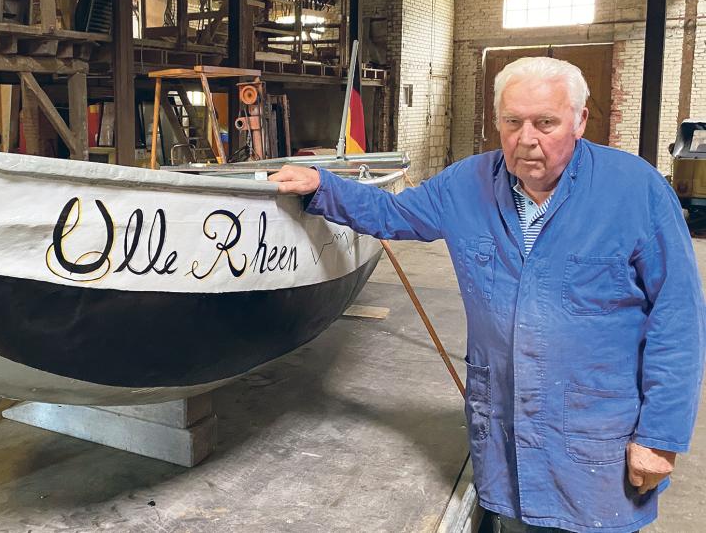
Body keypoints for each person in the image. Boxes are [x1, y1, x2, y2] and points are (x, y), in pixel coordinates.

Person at [269, 57, 706, 533]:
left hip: (593, 439)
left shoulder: (635, 189)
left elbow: (678, 317)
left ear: (580, 121)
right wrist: (321, 186)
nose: (526, 138)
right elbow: (393, 214)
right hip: (505, 426)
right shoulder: (467, 183)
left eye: (546, 123)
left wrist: (660, 437)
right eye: (512, 122)